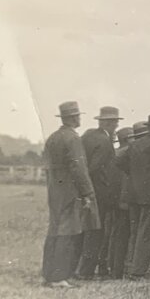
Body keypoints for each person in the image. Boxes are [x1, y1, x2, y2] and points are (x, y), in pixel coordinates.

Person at [42, 101, 100, 288]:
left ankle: (50, 274)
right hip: (69, 190)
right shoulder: (73, 139)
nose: (79, 118)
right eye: (78, 116)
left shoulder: (53, 137)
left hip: (55, 189)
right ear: (74, 118)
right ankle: (59, 277)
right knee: (68, 232)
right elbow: (79, 168)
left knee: (55, 230)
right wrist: (88, 192)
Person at [117, 113, 150, 280]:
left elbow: (119, 162)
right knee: (147, 233)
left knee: (135, 231)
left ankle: (130, 266)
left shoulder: (135, 145)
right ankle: (138, 271)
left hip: (133, 195)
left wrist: (133, 175)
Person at [77, 105, 123, 279]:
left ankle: (77, 268)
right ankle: (86, 272)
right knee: (96, 232)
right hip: (98, 193)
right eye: (115, 123)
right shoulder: (105, 142)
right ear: (111, 124)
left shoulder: (88, 135)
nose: (116, 127)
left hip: (84, 191)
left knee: (84, 230)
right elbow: (95, 168)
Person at [107, 125, 135, 279]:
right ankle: (118, 270)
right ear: (128, 139)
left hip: (114, 200)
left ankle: (112, 267)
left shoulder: (115, 153)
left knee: (114, 234)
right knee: (123, 236)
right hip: (124, 201)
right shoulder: (127, 154)